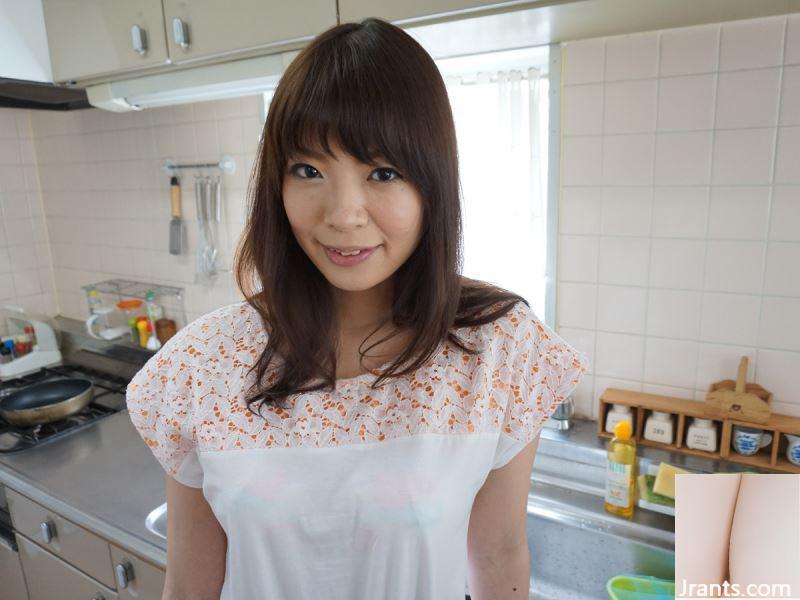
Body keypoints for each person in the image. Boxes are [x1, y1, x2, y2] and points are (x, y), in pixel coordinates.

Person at [125, 17, 589, 600]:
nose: (344, 215)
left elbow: (497, 555)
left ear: (433, 185)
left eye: (383, 173)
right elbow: (191, 585)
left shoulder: (497, 351)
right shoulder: (202, 364)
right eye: (309, 170)